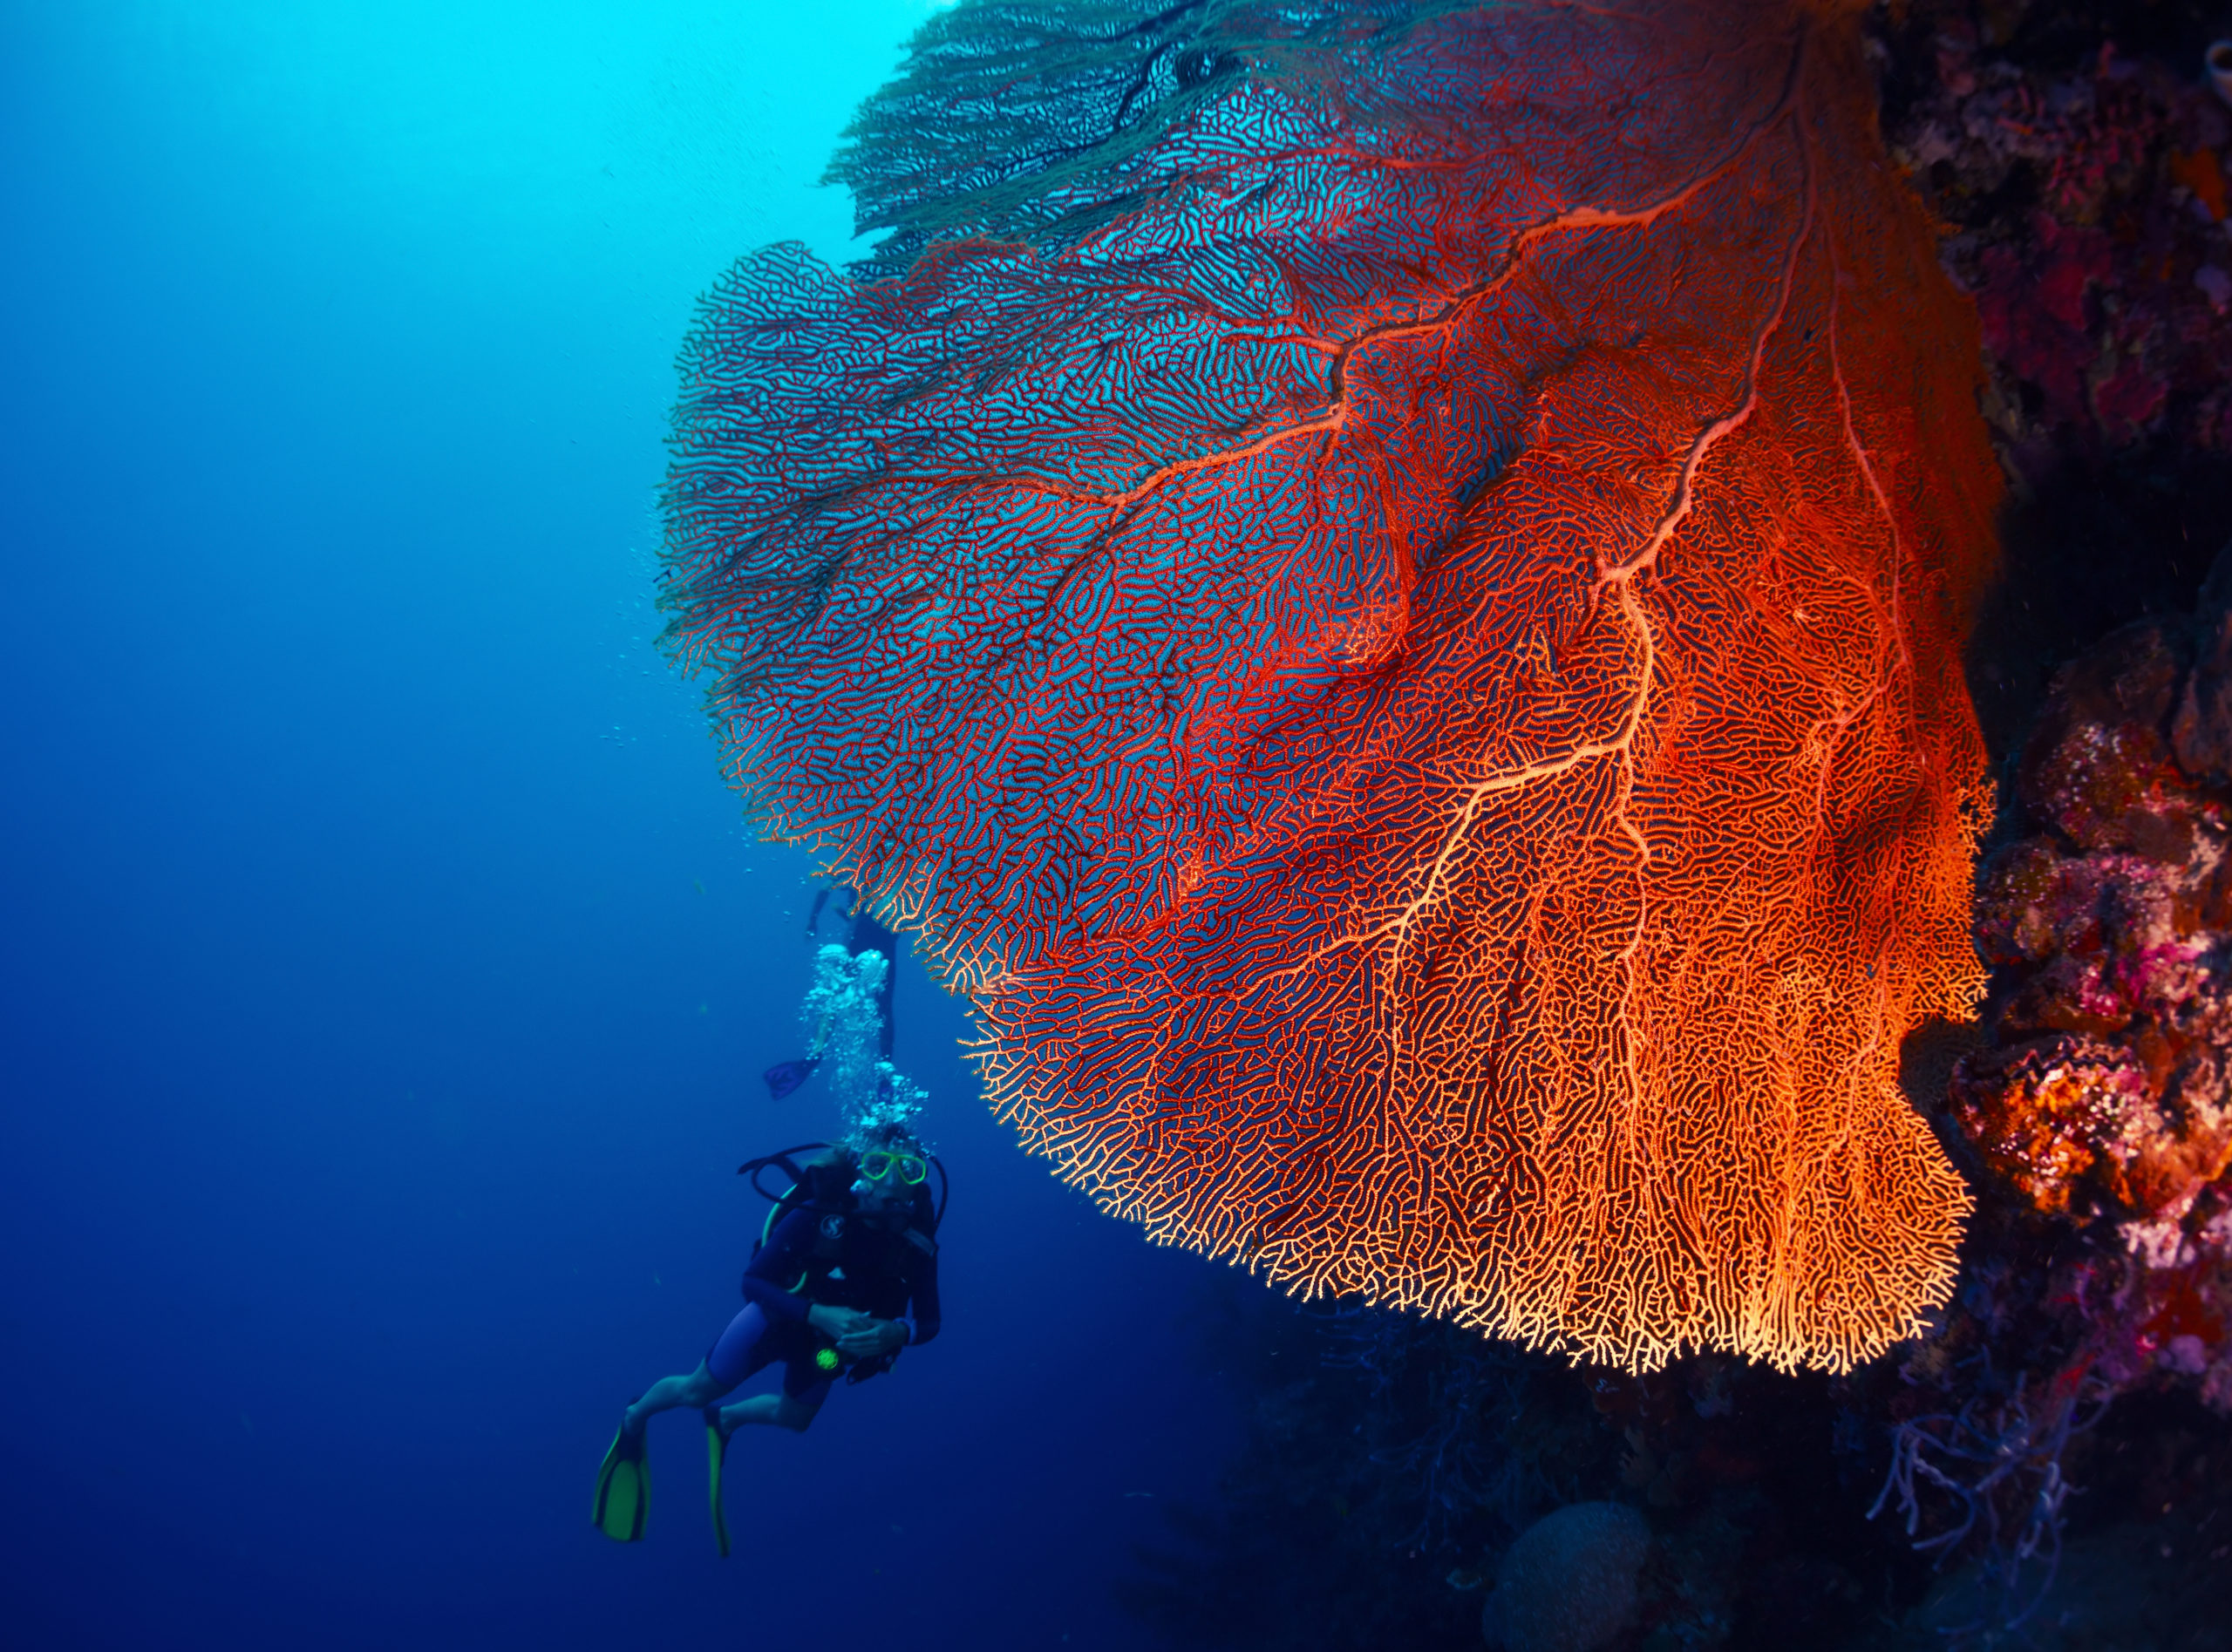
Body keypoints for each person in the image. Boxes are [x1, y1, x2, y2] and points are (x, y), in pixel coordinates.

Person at [592, 1125, 941, 1552]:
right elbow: (753, 1281)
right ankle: (635, 1417)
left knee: (795, 1420)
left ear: (919, 1181)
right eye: (877, 1165)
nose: (891, 1182)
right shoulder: (819, 1212)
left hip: (827, 1350)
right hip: (771, 1321)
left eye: (908, 1169)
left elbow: (929, 1323)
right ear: (859, 1173)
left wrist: (895, 1332)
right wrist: (818, 1313)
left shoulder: (917, 1245)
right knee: (695, 1390)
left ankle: (726, 1421)